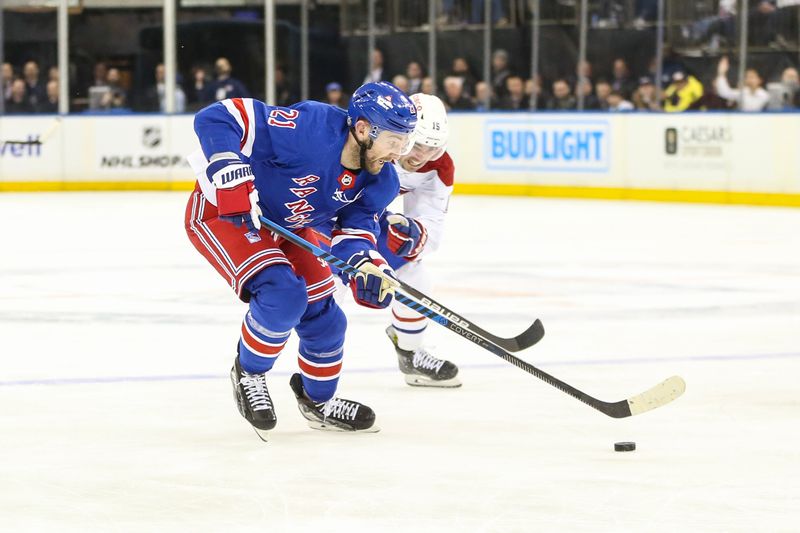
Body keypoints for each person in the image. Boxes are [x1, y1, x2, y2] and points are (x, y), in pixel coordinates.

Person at [184, 82, 417, 439]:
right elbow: (219, 116)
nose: (398, 152)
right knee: (283, 293)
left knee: (326, 318)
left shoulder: (380, 181)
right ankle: (249, 372)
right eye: (393, 140)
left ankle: (318, 401)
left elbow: (353, 237)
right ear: (363, 128)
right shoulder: (310, 129)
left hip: (289, 225)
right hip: (228, 213)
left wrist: (367, 268)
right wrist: (227, 160)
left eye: (404, 141)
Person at [378, 94, 461, 387]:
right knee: (326, 292)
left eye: (433, 148)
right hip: (328, 219)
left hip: (370, 221)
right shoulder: (370, 142)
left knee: (415, 278)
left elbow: (432, 225)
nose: (422, 156)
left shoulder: (438, 167)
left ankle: (410, 354)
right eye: (419, 144)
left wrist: (416, 235)